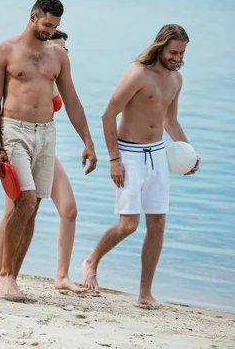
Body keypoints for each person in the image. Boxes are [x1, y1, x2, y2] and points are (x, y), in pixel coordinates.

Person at [81, 24, 200, 308]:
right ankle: (91, 261)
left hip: (157, 154)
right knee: (128, 225)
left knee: (157, 223)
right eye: (172, 52)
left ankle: (145, 294)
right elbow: (108, 114)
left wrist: (190, 154)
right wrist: (114, 159)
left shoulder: (176, 79)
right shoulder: (138, 73)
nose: (176, 57)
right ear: (160, 47)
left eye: (181, 53)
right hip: (130, 154)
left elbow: (170, 121)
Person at [0, 0, 97, 296]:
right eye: (47, 24)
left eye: (55, 26)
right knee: (25, 199)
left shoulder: (58, 56)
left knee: (33, 208)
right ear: (33, 16)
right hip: (14, 131)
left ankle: (13, 276)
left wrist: (88, 141)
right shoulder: (3, 51)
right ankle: (5, 274)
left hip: (46, 133)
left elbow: (72, 100)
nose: (50, 31)